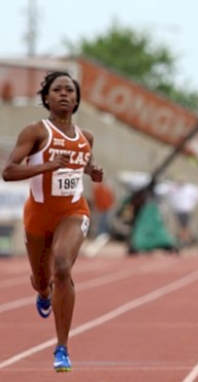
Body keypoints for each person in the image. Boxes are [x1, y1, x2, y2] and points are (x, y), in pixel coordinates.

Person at [1, 71, 104, 372]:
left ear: (76, 100)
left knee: (62, 266)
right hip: (38, 216)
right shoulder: (35, 132)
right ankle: (43, 293)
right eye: (57, 90)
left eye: (69, 91)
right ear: (46, 98)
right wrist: (46, 165)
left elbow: (80, 163)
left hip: (73, 212)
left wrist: (92, 171)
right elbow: (8, 171)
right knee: (41, 281)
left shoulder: (87, 137)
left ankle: (62, 348)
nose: (63, 94)